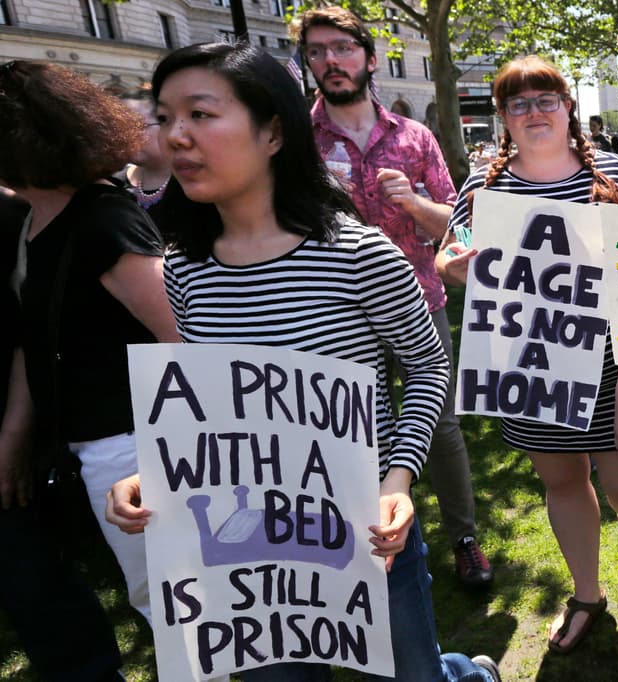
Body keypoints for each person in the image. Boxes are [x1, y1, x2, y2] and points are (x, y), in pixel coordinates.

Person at [103, 42, 501, 682]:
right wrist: (160, 473)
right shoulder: (182, 268)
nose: (175, 136)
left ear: (273, 133)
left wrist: (395, 483)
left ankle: (465, 674)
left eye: (201, 114)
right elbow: (205, 400)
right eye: (166, 115)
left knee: (413, 675)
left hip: (366, 533)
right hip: (246, 547)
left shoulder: (358, 254)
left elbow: (427, 368)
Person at [436, 55, 618, 655]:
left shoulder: (614, 173)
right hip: (533, 364)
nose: (533, 112)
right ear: (504, 116)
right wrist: (451, 267)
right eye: (518, 103)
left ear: (568, 107)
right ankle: (588, 593)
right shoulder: (485, 182)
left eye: (546, 99)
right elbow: (450, 250)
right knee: (562, 480)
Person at [295, 6, 493, 586]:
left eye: (343, 48)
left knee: (441, 426)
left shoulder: (415, 137)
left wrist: (413, 202)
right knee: (348, 427)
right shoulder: (294, 143)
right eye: (317, 51)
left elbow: (458, 229)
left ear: (369, 57)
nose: (331, 60)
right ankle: (367, 542)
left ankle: (464, 538)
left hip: (421, 301)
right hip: (333, 314)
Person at [0, 60, 180, 629]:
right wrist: (13, 437)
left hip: (133, 446)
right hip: (96, 447)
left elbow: (185, 336)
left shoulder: (103, 221)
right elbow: (36, 339)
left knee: (172, 608)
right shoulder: (34, 220)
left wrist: (170, 454)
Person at [0, 183, 127, 681]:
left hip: (14, 433)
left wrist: (13, 434)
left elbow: (25, 333)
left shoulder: (15, 214)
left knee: (30, 575)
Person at [118, 87, 172, 215]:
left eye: (137, 126)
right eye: (120, 127)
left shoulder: (193, 187)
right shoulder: (112, 184)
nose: (126, 135)